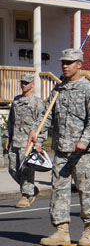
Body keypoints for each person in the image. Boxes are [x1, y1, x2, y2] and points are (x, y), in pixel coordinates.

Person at [29, 48, 90, 246]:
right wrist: (38, 137)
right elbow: (47, 118)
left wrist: (84, 139)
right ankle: (61, 231)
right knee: (59, 190)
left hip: (83, 152)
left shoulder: (89, 89)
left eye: (70, 62)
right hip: (62, 150)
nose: (65, 65)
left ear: (79, 64)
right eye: (63, 62)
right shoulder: (58, 90)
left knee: (85, 190)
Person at [6, 73, 45, 208]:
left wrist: (39, 142)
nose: (24, 85)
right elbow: (11, 121)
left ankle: (26, 195)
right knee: (12, 168)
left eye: (26, 83)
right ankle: (31, 189)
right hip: (15, 140)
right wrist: (8, 137)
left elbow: (42, 125)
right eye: (22, 82)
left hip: (28, 143)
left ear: (32, 85)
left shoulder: (37, 103)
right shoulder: (16, 101)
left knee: (26, 169)